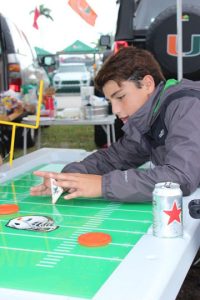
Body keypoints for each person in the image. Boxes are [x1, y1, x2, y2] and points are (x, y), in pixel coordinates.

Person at [30, 46, 200, 202]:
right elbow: (114, 159)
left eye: (120, 97)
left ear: (147, 84)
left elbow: (181, 176)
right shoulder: (148, 118)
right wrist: (68, 177)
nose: (116, 110)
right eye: (110, 101)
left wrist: (103, 185)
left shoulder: (187, 105)